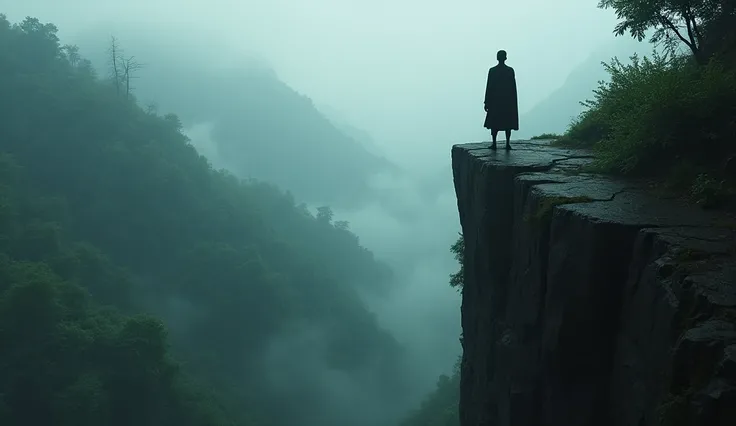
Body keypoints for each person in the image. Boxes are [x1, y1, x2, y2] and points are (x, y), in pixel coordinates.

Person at [483, 50, 519, 150]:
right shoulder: (510, 70)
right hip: (507, 102)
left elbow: (489, 87)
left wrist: (487, 102)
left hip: (495, 102)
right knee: (508, 123)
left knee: (495, 123)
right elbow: (513, 88)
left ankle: (494, 143)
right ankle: (507, 144)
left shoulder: (492, 71)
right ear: (505, 58)